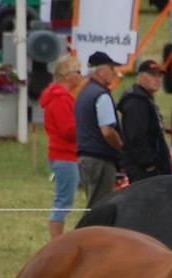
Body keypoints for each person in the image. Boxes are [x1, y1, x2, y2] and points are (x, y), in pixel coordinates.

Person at [39, 54, 82, 240]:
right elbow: (68, 131)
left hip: (63, 155)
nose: (81, 75)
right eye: (77, 72)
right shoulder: (62, 99)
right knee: (63, 201)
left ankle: (56, 241)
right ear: (67, 75)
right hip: (64, 156)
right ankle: (56, 242)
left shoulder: (61, 97)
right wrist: (86, 128)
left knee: (64, 199)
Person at [75, 51, 123, 208]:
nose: (114, 72)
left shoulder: (84, 93)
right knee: (99, 208)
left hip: (86, 156)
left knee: (93, 204)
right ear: (100, 71)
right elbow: (107, 131)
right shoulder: (101, 95)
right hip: (100, 158)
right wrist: (122, 147)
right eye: (111, 68)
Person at [117, 59, 172, 182]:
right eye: (153, 75)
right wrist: (148, 164)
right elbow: (136, 135)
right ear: (141, 76)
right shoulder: (136, 101)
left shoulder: (145, 99)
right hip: (143, 169)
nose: (157, 79)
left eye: (159, 75)